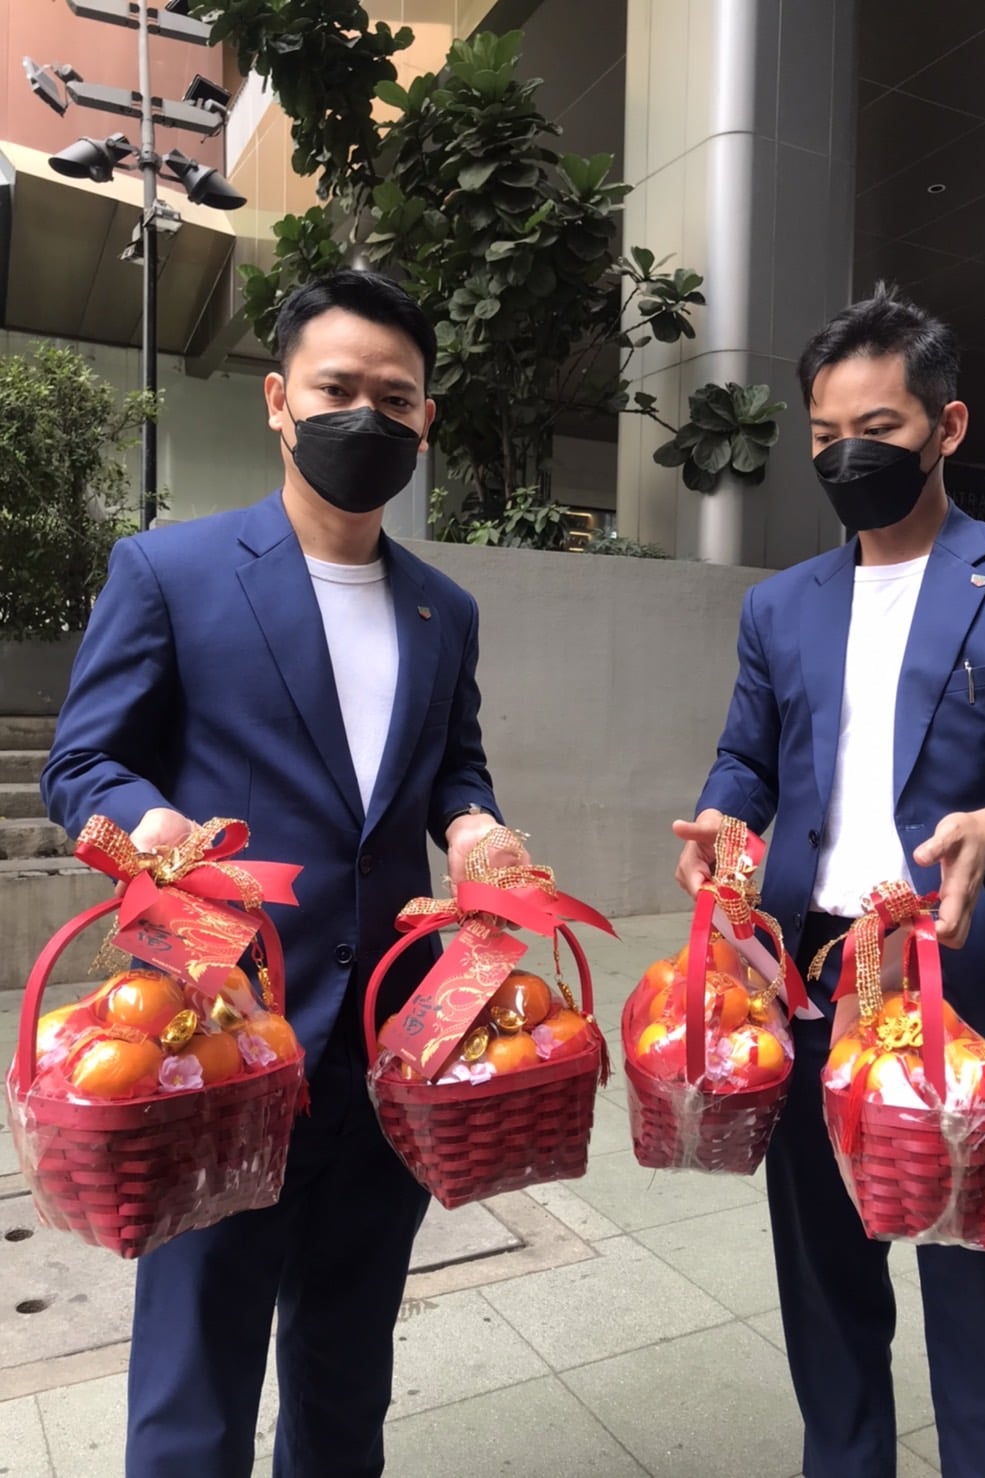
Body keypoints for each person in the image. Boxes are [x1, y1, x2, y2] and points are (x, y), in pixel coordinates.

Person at [41, 270, 510, 1477]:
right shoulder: (172, 571)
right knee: (194, 1387)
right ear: (278, 400)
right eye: (337, 388)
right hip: (213, 1044)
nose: (367, 414)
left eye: (394, 397)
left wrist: (472, 828)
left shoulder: (442, 610)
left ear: (426, 421)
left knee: (347, 1377)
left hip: (389, 1050)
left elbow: (456, 767)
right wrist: (149, 829)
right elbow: (85, 761)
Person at [674, 283, 985, 1478]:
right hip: (814, 984)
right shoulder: (781, 604)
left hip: (961, 994)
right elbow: (745, 754)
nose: (847, 455)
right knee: (825, 1294)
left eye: (877, 429)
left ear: (947, 427)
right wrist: (721, 812)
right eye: (825, 435)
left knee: (980, 1306)